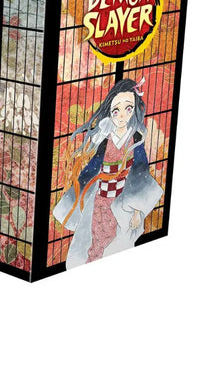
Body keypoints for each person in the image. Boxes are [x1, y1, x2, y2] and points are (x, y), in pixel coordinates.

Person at [53, 78, 163, 269]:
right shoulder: (105, 136)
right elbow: (93, 167)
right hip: (101, 200)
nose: (122, 116)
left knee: (120, 244)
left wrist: (138, 210)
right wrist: (77, 190)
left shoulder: (135, 138)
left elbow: (141, 174)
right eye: (116, 111)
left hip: (124, 201)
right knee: (97, 241)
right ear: (110, 112)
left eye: (128, 108)